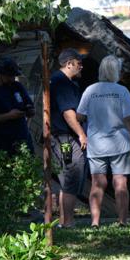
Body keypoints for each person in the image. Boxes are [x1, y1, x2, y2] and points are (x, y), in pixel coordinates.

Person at [76, 55, 130, 227]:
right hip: (120, 143)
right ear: (115, 71)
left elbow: (80, 115)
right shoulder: (122, 91)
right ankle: (122, 221)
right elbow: (129, 120)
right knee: (120, 183)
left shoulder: (90, 90)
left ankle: (95, 222)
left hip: (96, 144)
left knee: (97, 183)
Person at [49, 48, 88, 227]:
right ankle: (68, 223)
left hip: (61, 136)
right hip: (66, 138)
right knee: (72, 175)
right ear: (69, 64)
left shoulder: (64, 82)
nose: (81, 67)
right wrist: (81, 134)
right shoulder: (62, 82)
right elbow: (68, 113)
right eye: (79, 63)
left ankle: (64, 221)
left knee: (66, 178)